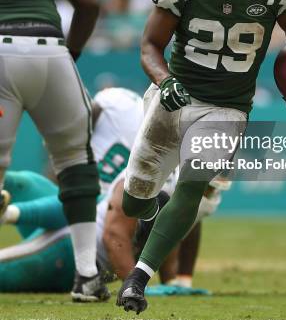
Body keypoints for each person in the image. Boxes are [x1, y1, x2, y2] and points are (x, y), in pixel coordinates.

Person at [117, 0, 286, 314]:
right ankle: (152, 214)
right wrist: (165, 80)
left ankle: (137, 280)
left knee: (192, 186)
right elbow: (149, 46)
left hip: (228, 107)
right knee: (135, 200)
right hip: (174, 97)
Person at [0, 0, 108, 302]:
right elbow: (88, 0)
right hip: (49, 51)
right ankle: (86, 275)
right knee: (75, 163)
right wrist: (71, 52)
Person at [0, 87, 222, 293]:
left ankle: (10, 213)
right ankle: (9, 212)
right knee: (23, 183)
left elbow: (179, 228)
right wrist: (136, 284)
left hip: (86, 227)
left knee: (83, 200)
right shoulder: (152, 160)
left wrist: (177, 284)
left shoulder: (179, 176)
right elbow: (113, 233)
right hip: (86, 222)